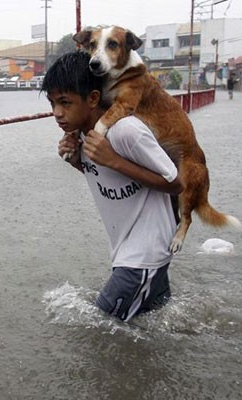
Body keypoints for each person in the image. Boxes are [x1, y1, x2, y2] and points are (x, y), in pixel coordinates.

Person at [42, 52, 183, 322]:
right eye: (52, 103)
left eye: (65, 103)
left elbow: (175, 183)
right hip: (131, 252)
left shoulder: (126, 131)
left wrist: (115, 160)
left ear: (93, 98)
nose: (57, 113)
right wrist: (76, 160)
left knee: (99, 330)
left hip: (143, 255)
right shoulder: (84, 134)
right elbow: (106, 176)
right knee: (154, 329)